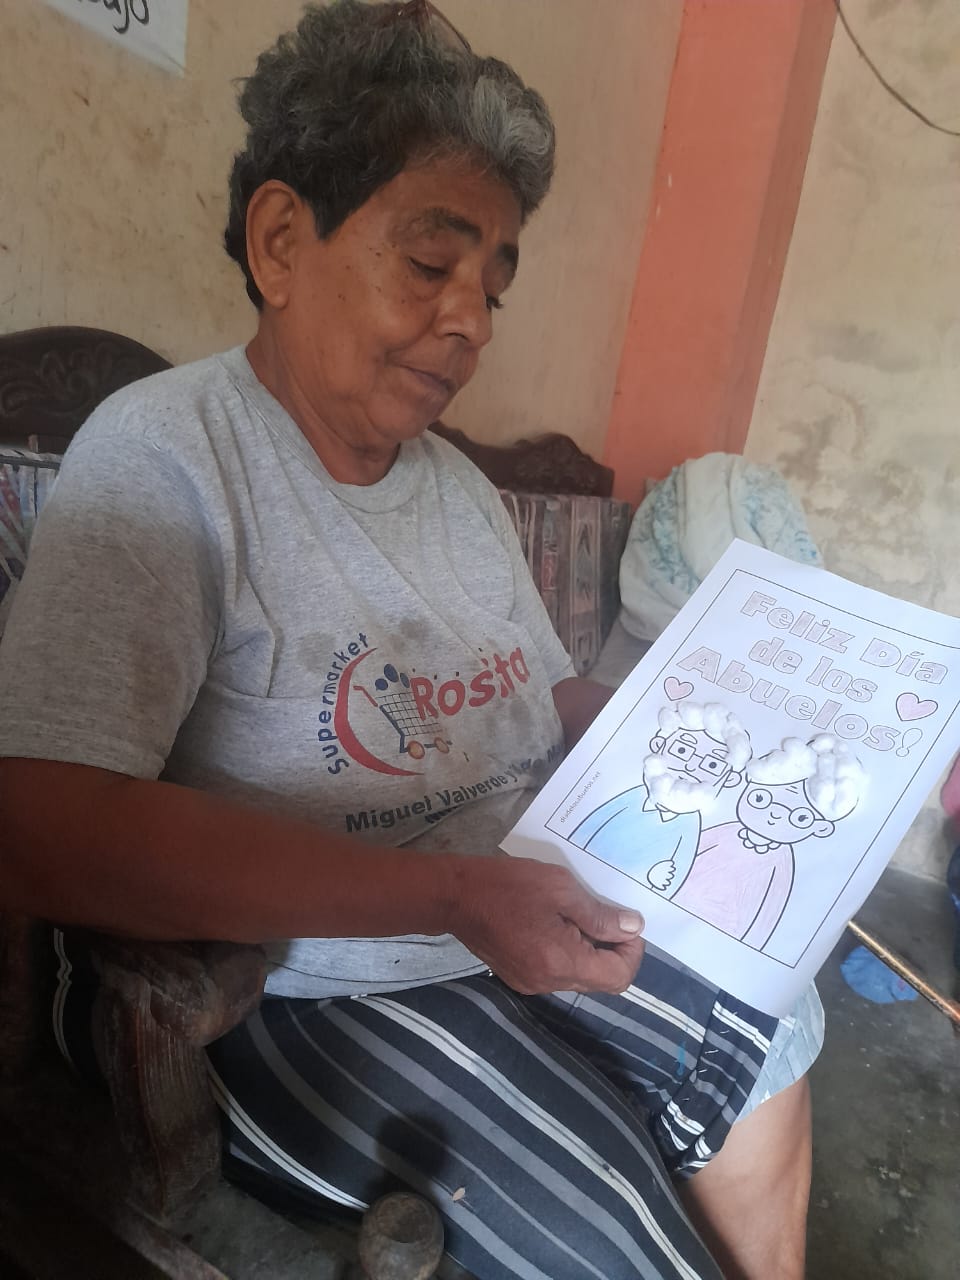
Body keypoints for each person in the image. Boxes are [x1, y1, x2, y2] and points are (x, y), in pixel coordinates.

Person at [0, 4, 822, 1277]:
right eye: (431, 264)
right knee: (612, 1219)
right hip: (296, 985)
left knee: (767, 1023)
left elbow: (542, 693)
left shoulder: (456, 490)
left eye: (492, 287)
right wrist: (451, 896)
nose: (472, 322)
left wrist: (689, 736)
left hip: (505, 902)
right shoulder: (167, 458)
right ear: (282, 241)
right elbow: (40, 822)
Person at [674, 735, 865, 951]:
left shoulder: (779, 861)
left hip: (724, 933)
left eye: (800, 817)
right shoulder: (726, 832)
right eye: (761, 798)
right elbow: (685, 854)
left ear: (820, 828)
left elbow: (769, 908)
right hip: (676, 903)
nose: (774, 814)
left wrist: (749, 948)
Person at [568, 702, 749, 894]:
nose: (690, 767)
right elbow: (587, 828)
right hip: (573, 873)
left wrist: (655, 880)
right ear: (658, 746)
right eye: (682, 750)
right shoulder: (633, 797)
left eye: (712, 765)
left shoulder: (689, 824)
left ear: (729, 779)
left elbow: (680, 868)